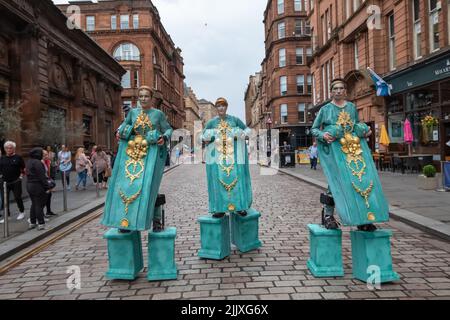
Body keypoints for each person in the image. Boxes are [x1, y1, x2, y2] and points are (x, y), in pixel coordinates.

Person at [311, 78, 389, 231]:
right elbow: (314, 129)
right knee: (335, 182)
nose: (338, 91)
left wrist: (364, 131)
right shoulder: (325, 109)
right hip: (334, 150)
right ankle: (328, 215)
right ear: (331, 91)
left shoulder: (352, 107)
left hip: (352, 150)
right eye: (335, 89)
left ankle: (362, 217)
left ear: (345, 91)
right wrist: (323, 136)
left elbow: (356, 125)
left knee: (358, 181)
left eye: (341, 88)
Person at [102, 86, 173, 232]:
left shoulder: (158, 114)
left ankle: (157, 220)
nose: (143, 99)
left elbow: (168, 129)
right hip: (132, 153)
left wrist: (163, 137)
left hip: (152, 154)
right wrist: (119, 132)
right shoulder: (133, 113)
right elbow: (124, 125)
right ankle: (126, 220)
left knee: (149, 187)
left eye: (146, 96)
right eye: (141, 96)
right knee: (129, 186)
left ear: (151, 98)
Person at [202, 97, 253, 218]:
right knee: (218, 182)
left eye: (223, 105)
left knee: (237, 181)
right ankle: (219, 208)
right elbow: (202, 136)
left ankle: (239, 207)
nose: (221, 108)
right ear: (216, 108)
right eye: (219, 106)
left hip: (234, 158)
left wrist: (242, 134)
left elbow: (248, 130)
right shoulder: (212, 122)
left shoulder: (234, 120)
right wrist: (209, 136)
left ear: (226, 107)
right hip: (217, 159)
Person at [26, 148, 52, 230]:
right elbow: (42, 176)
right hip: (37, 185)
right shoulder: (37, 162)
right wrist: (47, 187)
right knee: (39, 205)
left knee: (34, 204)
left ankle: (32, 223)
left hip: (29, 184)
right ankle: (41, 223)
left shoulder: (29, 161)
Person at [0, 141, 26, 222]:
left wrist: (21, 177)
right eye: (7, 148)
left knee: (17, 197)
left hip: (16, 181)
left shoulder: (18, 157)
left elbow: (24, 168)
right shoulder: (2, 158)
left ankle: (22, 211)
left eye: (10, 148)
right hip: (4, 182)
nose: (9, 149)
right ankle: (7, 216)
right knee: (5, 199)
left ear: (14, 148)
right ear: (4, 149)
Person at [42, 149, 56, 217]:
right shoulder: (41, 162)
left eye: (47, 154)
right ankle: (40, 214)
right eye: (45, 155)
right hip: (43, 182)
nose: (47, 156)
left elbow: (49, 172)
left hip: (48, 180)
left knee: (49, 196)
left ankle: (48, 211)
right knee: (44, 198)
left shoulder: (48, 161)